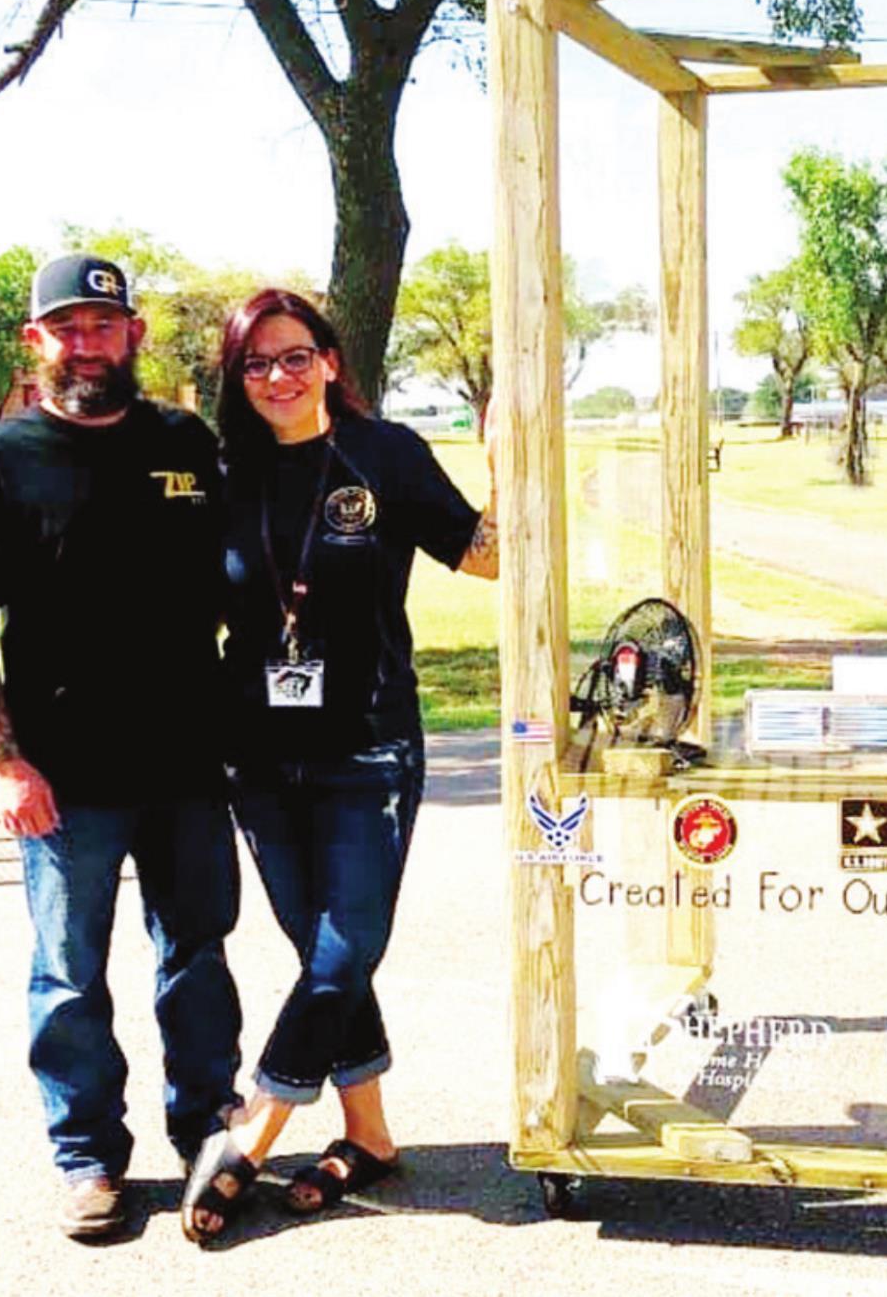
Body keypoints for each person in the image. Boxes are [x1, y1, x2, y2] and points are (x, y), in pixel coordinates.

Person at [180, 289, 498, 1242]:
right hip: (260, 759)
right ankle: (369, 1136)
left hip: (369, 745)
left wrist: (509, 464)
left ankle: (254, 1127)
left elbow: (483, 558)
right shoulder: (221, 473)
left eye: (294, 356)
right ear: (238, 377)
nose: (277, 376)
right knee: (324, 955)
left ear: (328, 358)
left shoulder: (385, 453)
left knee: (345, 947)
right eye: (256, 363)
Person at [0, 254, 241, 1241]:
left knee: (197, 955)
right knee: (69, 971)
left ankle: (210, 1126)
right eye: (67, 327)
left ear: (132, 335)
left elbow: (233, 577)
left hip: (187, 763)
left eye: (103, 324)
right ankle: (88, 1154)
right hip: (64, 775)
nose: (86, 342)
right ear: (35, 342)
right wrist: (3, 757)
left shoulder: (184, 440)